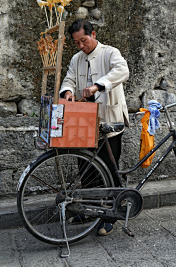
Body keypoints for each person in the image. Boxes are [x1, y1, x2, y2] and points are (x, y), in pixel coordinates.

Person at [59, 19, 129, 236]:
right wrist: (67, 91)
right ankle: (90, 210)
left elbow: (122, 70)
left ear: (93, 34)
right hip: (85, 121)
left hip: (109, 117)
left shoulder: (110, 53)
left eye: (84, 40)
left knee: (109, 166)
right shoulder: (77, 59)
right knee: (86, 167)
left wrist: (97, 86)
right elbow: (69, 78)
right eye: (77, 42)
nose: (81, 46)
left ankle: (111, 214)